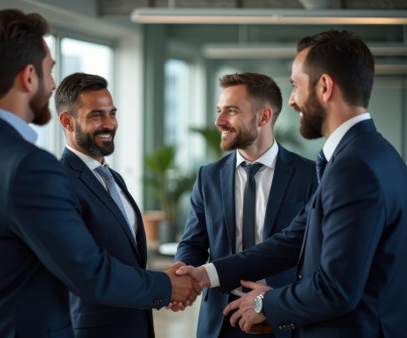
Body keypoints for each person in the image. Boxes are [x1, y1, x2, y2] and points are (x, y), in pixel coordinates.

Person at [0, 9, 199, 337]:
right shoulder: (28, 165)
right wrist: (166, 286)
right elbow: (88, 271)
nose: (53, 83)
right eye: (49, 70)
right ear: (29, 76)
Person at [177, 30, 407, 338]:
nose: (293, 100)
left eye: (296, 86)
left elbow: (335, 288)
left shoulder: (354, 168)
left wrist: (263, 303)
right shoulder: (375, 154)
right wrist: (206, 274)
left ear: (324, 87)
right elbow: (293, 239)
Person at [173, 72, 317, 338]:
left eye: (231, 111)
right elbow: (193, 242)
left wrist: (280, 302)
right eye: (219, 111)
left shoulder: (310, 175)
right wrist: (183, 275)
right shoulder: (208, 176)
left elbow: (313, 255)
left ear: (263, 116)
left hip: (281, 320)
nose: (218, 121)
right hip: (220, 321)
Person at [55, 72, 158, 337]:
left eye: (112, 113)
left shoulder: (113, 178)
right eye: (96, 115)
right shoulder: (59, 182)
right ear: (67, 121)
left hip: (135, 324)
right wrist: (164, 285)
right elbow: (85, 271)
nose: (110, 124)